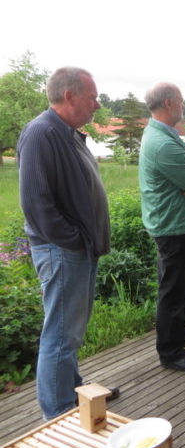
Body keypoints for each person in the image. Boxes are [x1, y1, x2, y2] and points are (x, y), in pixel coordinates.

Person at [17, 67, 117, 419]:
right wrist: (75, 240)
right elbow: (36, 203)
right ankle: (57, 414)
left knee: (69, 331)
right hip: (63, 251)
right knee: (60, 335)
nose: (97, 104)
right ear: (69, 96)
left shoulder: (69, 133)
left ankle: (74, 393)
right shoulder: (42, 133)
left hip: (77, 250)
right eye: (92, 97)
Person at [139, 82, 185, 371]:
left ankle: (179, 329)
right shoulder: (162, 144)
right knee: (172, 288)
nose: (184, 106)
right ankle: (171, 351)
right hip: (173, 223)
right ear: (169, 103)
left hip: (175, 221)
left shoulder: (167, 136)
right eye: (182, 101)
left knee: (178, 283)